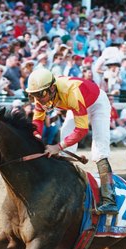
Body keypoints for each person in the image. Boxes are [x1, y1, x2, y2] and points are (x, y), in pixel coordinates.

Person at [26, 68, 118, 215]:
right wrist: (36, 138)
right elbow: (38, 120)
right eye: (34, 95)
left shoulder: (73, 92)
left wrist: (58, 146)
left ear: (52, 88)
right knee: (64, 143)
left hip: (97, 103)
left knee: (99, 149)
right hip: (76, 105)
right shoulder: (41, 94)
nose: (39, 99)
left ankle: (110, 200)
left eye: (41, 94)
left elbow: (82, 130)